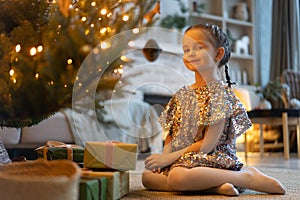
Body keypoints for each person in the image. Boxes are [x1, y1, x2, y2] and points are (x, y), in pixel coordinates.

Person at [141, 23, 286, 196]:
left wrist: (170, 159)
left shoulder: (220, 95)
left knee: (176, 178)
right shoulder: (182, 95)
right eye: (186, 49)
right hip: (183, 159)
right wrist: (164, 159)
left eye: (198, 47)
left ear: (218, 54)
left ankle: (245, 176)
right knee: (147, 177)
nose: (190, 54)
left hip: (212, 158)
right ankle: (216, 186)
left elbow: (207, 145)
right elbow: (172, 135)